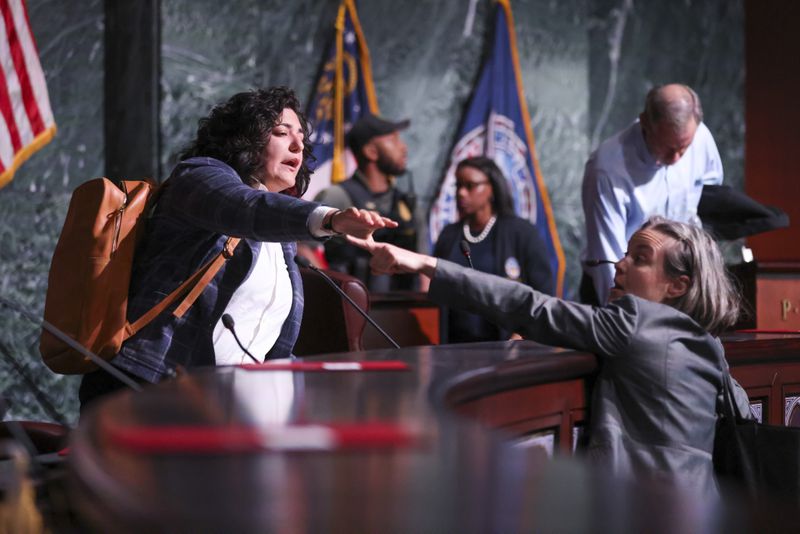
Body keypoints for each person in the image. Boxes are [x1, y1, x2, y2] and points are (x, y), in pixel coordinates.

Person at [349, 216, 751, 495]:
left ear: (678, 285)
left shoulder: (634, 321)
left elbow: (529, 305)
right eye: (625, 253)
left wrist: (424, 263)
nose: (620, 265)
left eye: (640, 259)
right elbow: (743, 410)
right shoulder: (709, 344)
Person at [78, 87, 394, 408]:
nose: (298, 144)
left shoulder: (280, 235)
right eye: (281, 133)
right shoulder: (200, 177)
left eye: (301, 135)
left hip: (220, 404)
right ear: (245, 138)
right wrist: (332, 219)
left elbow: (268, 346)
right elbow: (248, 209)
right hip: (146, 389)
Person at [582, 83, 723, 305]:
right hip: (626, 283)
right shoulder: (608, 169)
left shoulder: (702, 137)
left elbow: (712, 190)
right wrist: (619, 321)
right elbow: (609, 261)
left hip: (680, 281)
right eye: (668, 148)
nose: (676, 158)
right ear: (645, 122)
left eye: (684, 148)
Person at [433, 156, 554, 342]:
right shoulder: (449, 236)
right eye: (458, 185)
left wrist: (521, 335)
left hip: (508, 348)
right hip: (454, 348)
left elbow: (544, 292)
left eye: (470, 185)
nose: (461, 193)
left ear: (492, 188)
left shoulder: (521, 232)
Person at [314, 112, 417, 291]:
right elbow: (305, 249)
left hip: (402, 309)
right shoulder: (337, 196)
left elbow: (422, 261)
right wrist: (330, 292)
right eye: (393, 140)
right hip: (349, 308)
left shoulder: (406, 204)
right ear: (371, 151)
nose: (403, 147)